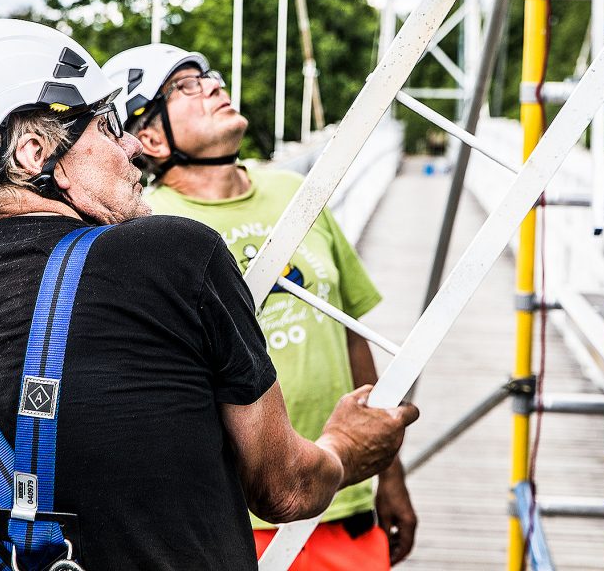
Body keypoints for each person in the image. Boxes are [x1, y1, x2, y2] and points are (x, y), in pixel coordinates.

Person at [0, 20, 417, 571]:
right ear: (37, 153)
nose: (130, 147)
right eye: (106, 127)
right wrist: (345, 445)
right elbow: (285, 487)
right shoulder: (176, 253)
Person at [102, 43, 417, 569]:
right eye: (183, 86)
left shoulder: (299, 192)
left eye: (209, 77)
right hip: (239, 521)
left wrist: (391, 475)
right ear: (149, 138)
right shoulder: (147, 233)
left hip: (347, 495)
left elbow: (349, 331)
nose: (212, 86)